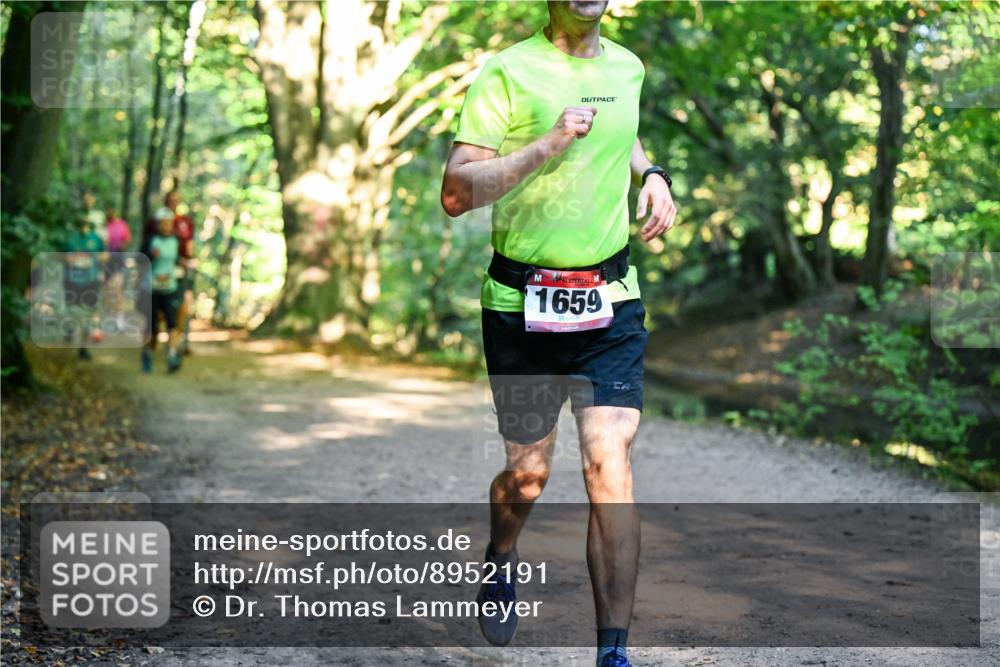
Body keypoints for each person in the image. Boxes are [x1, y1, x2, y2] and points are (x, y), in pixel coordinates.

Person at [440, 2, 676, 665]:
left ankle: (613, 653)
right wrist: (546, 144)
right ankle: (501, 549)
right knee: (528, 475)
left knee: (610, 461)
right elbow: (456, 191)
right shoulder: (507, 73)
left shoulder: (628, 67)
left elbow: (620, 133)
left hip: (610, 300)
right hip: (521, 304)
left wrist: (651, 175)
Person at [142, 207, 183, 373]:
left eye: (168, 223)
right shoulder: (151, 240)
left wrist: (184, 266)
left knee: (172, 323)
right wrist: (151, 256)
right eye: (162, 223)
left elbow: (178, 260)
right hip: (152, 288)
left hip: (170, 288)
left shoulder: (176, 241)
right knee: (153, 328)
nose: (165, 226)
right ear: (158, 224)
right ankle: (147, 353)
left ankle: (172, 355)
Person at [62, 214, 106, 360]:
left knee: (88, 313)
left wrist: (96, 259)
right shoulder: (71, 238)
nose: (84, 225)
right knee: (72, 310)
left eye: (87, 222)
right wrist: (74, 259)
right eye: (82, 222)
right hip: (72, 281)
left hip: (91, 281)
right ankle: (69, 328)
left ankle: (83, 347)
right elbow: (63, 257)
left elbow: (105, 255)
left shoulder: (96, 238)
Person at [164, 188, 195, 355]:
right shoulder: (158, 221)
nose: (173, 204)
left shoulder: (185, 221)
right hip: (162, 269)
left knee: (186, 302)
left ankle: (184, 340)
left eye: (176, 201)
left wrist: (190, 260)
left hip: (182, 269)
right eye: (171, 200)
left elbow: (190, 244)